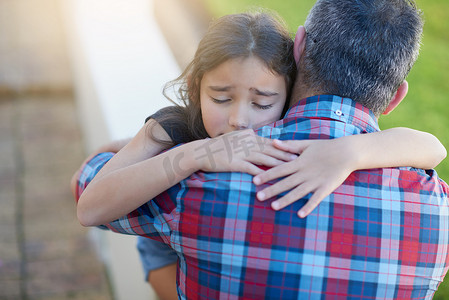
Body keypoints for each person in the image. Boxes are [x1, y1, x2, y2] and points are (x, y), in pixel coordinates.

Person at [72, 1, 449, 299]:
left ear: (297, 53)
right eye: (221, 97)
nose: (239, 121)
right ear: (397, 97)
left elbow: (87, 187)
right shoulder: (438, 209)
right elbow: (433, 148)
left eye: (261, 101)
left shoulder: (197, 185)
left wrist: (352, 152)